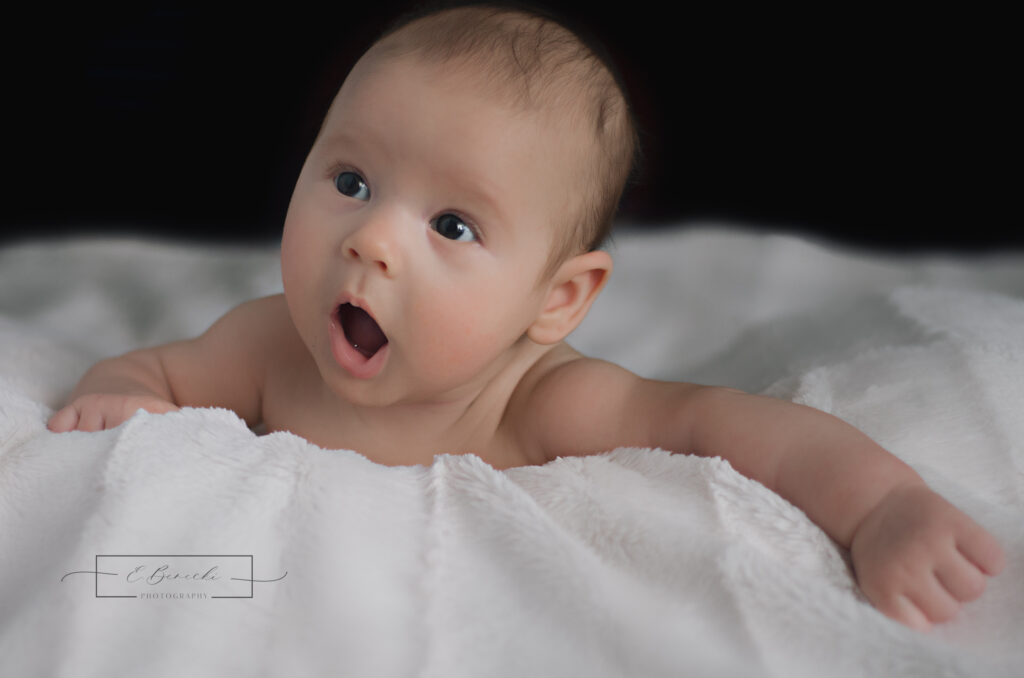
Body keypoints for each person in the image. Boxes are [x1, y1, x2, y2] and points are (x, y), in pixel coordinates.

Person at [47, 1, 1003, 631]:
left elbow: (737, 427)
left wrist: (881, 507)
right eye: (350, 179)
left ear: (559, 299)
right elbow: (149, 376)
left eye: (453, 224)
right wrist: (119, 399)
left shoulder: (544, 403)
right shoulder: (264, 345)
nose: (371, 239)